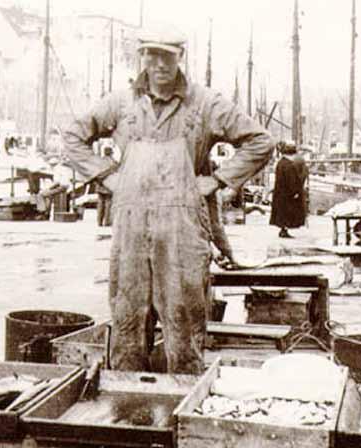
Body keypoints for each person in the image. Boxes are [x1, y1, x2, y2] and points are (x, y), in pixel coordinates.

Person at [63, 26, 272, 374]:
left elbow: (260, 141)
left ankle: (185, 400)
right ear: (142, 57)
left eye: (168, 56)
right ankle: (126, 407)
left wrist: (217, 180)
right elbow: (72, 136)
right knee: (128, 314)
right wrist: (107, 176)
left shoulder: (205, 104)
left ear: (180, 58)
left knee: (184, 315)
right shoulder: (120, 103)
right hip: (131, 227)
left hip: (183, 230)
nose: (159, 64)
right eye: (152, 55)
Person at [270, 143, 305, 238]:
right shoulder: (289, 165)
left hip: (280, 193)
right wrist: (295, 192)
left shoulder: (280, 163)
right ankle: (284, 230)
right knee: (287, 213)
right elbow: (292, 180)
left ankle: (283, 229)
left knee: (281, 212)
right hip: (288, 194)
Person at [96, 146, 117, 226]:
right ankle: (107, 221)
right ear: (111, 153)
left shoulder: (99, 161)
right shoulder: (113, 162)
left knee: (100, 203)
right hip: (109, 185)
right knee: (108, 203)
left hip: (100, 185)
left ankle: (99, 222)